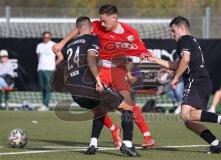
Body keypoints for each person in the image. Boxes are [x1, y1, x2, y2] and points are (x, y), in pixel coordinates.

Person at [53, 5, 155, 149]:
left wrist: (144, 54)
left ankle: (147, 137)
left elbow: (141, 49)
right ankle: (114, 130)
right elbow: (80, 28)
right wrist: (62, 43)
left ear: (114, 18)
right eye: (100, 20)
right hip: (100, 69)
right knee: (96, 105)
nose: (100, 24)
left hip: (118, 70)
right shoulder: (96, 26)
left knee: (128, 103)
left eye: (104, 21)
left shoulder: (130, 32)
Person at [147, 16, 221, 154]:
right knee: (188, 121)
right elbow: (176, 65)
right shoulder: (190, 40)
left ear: (182, 28)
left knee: (185, 114)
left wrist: (175, 79)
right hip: (202, 81)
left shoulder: (184, 39)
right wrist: (154, 58)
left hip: (196, 80)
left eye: (173, 30)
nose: (172, 34)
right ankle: (216, 143)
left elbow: (185, 60)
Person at [36, 31, 63, 111]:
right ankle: (44, 103)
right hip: (40, 69)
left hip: (50, 69)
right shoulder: (39, 45)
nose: (46, 39)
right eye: (44, 37)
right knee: (42, 87)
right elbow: (39, 57)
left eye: (48, 37)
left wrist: (53, 64)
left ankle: (45, 105)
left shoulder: (53, 45)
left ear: (50, 37)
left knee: (48, 87)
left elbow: (60, 57)